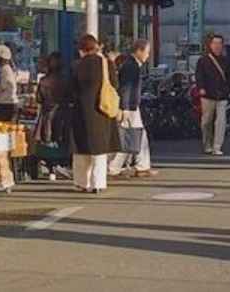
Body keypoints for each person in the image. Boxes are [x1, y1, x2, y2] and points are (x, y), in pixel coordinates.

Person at [70, 34, 120, 193]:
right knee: (99, 150)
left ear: (82, 50)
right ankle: (97, 183)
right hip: (102, 110)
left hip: (81, 111)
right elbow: (115, 84)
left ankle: (81, 183)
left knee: (81, 149)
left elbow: (70, 89)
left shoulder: (76, 66)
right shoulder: (106, 64)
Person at [109, 40, 158, 178]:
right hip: (129, 107)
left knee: (136, 135)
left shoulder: (131, 65)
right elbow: (126, 87)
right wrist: (124, 107)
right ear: (139, 51)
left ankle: (142, 165)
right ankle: (115, 166)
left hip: (131, 106)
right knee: (128, 136)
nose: (148, 56)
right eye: (147, 52)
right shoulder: (132, 66)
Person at [34, 53, 73, 179]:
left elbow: (39, 98)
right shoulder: (66, 80)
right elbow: (71, 96)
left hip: (47, 113)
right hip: (63, 113)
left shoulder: (43, 81)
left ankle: (51, 167)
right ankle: (62, 164)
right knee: (61, 138)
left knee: (48, 138)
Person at [194, 33, 230, 156]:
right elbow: (199, 75)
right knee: (206, 121)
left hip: (222, 96)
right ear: (210, 45)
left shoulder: (226, 61)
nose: (217, 46)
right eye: (214, 43)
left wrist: (228, 90)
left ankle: (217, 146)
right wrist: (201, 88)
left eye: (219, 43)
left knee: (220, 122)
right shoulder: (203, 60)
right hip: (207, 95)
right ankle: (207, 145)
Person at [0, 46, 20, 122]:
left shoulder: (5, 69)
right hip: (7, 102)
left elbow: (3, 86)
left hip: (5, 103)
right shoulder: (7, 68)